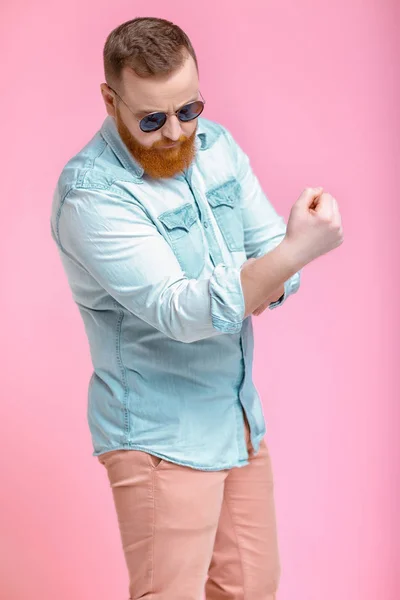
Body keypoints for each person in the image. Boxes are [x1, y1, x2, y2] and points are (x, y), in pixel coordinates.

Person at [50, 16, 343, 600]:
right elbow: (182, 311)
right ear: (111, 100)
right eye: (152, 119)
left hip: (235, 418)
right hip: (161, 435)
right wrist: (295, 253)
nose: (177, 134)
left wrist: (282, 265)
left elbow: (268, 257)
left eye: (189, 110)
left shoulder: (217, 147)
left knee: (251, 589)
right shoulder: (92, 194)